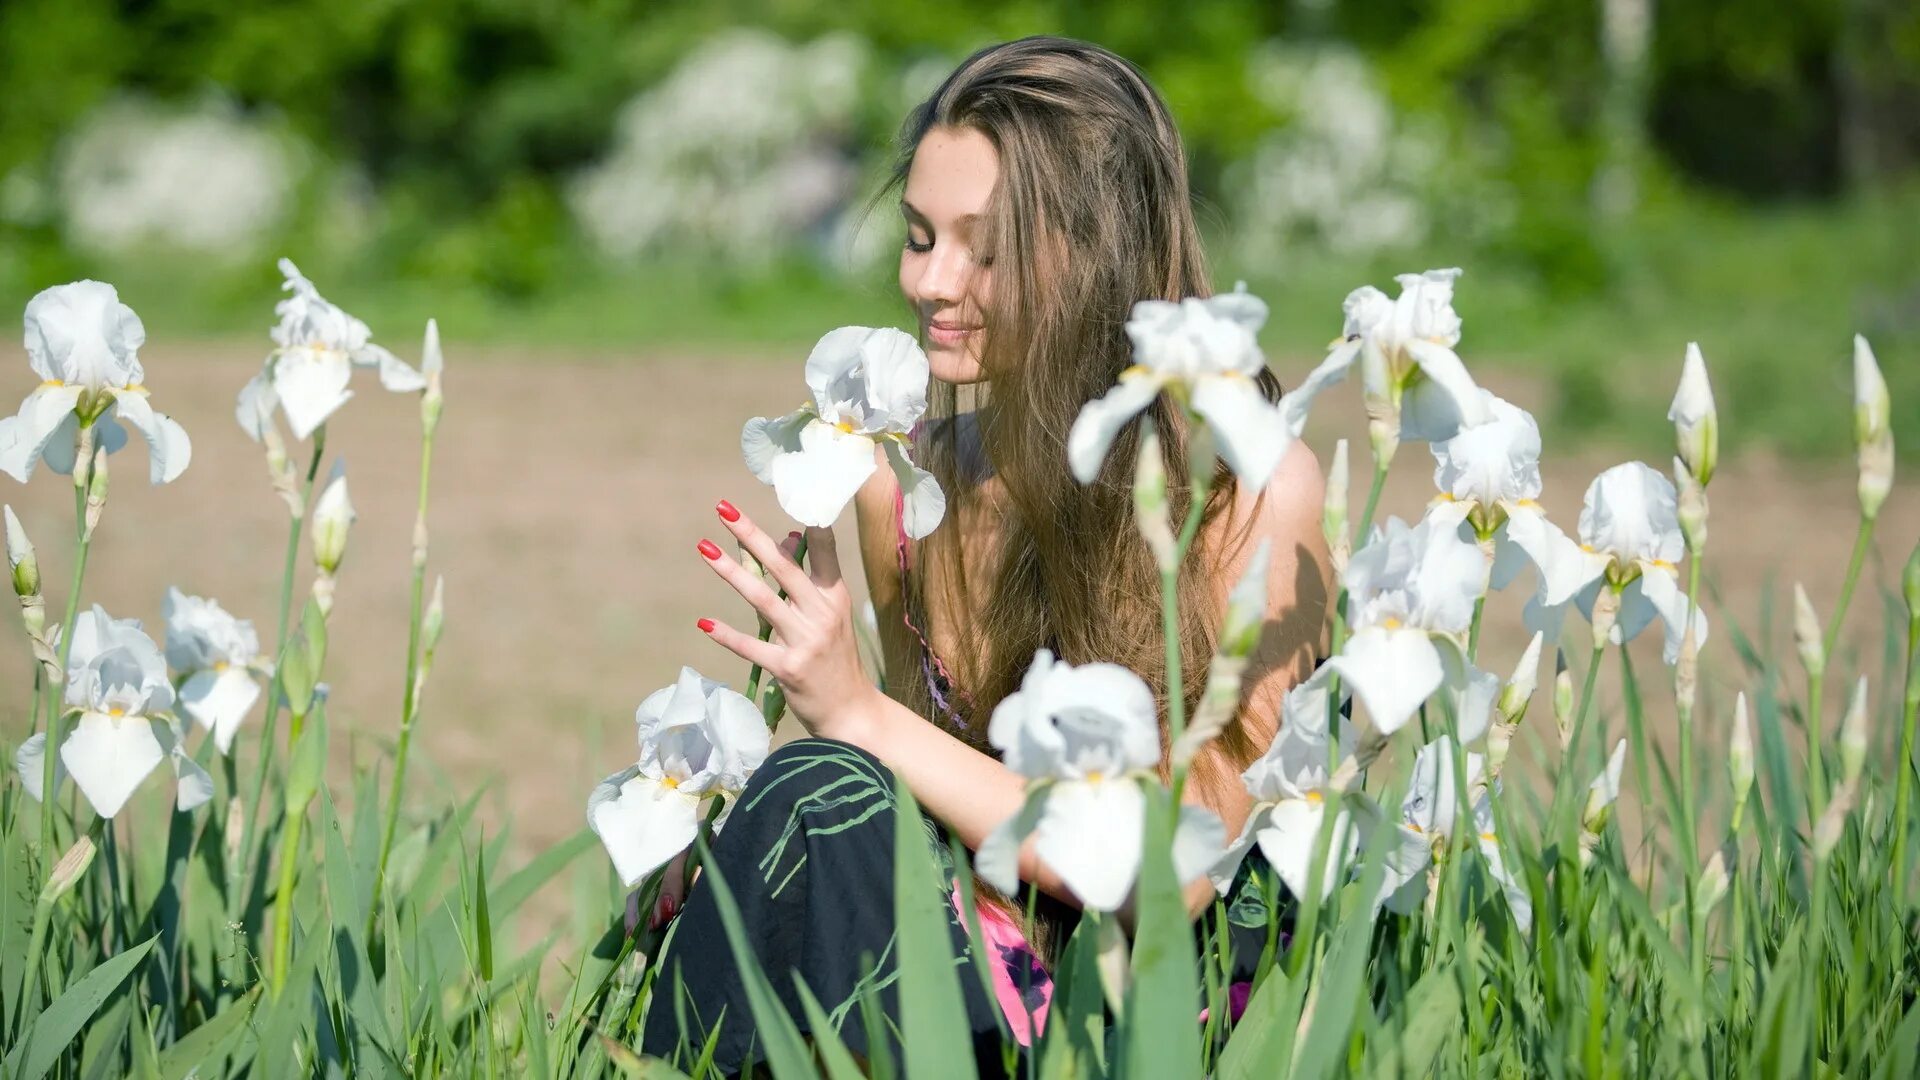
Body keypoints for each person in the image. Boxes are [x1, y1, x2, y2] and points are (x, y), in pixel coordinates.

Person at [637, 35, 1333, 1074]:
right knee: (804, 805)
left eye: (985, 248)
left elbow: (1177, 875)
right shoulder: (911, 486)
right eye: (919, 237)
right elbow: (918, 820)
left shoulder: (1247, 489)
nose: (931, 280)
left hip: (1149, 1014)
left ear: (1099, 252)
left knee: (822, 782)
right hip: (967, 974)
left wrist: (856, 712)